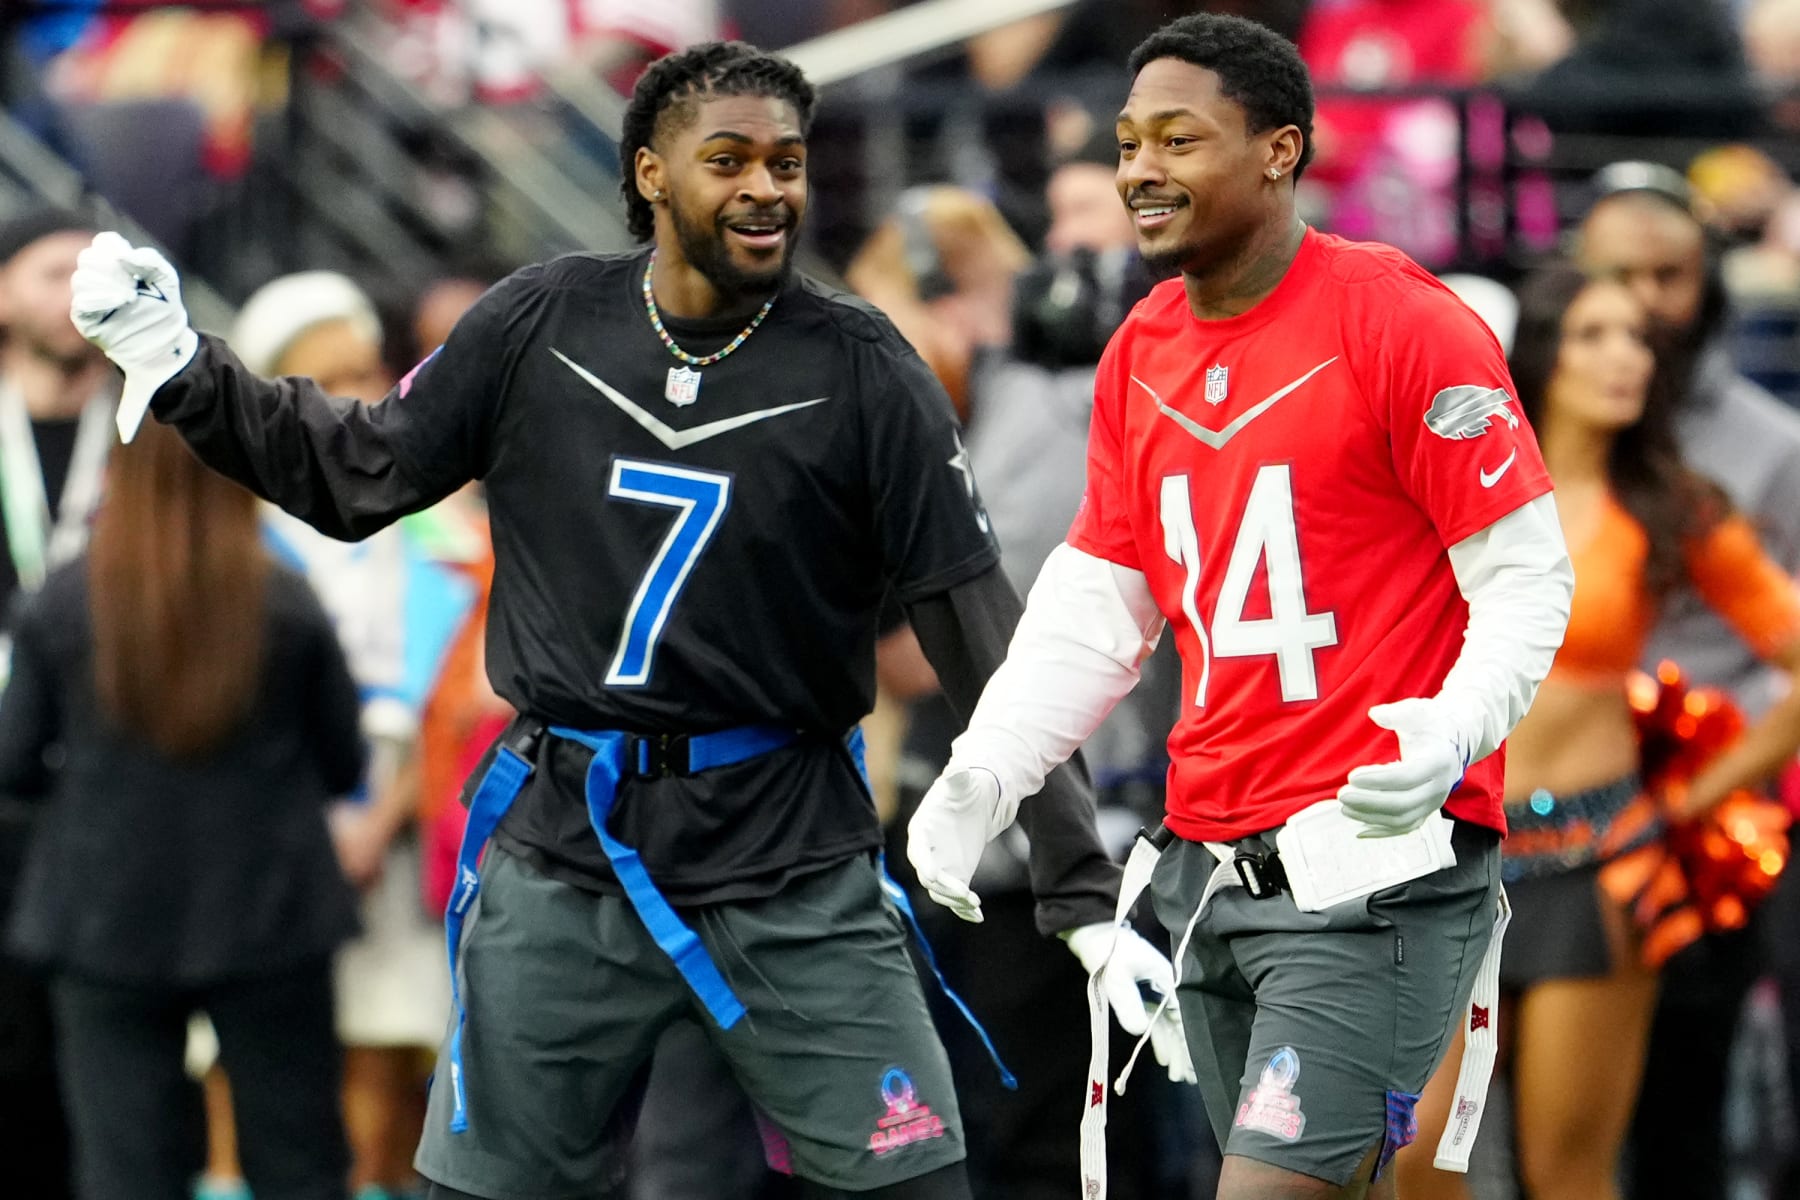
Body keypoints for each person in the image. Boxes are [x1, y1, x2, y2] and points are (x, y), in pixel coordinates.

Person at [68, 39, 1184, 1200]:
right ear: (651, 172)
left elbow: (975, 628)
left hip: (789, 859)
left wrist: (1077, 885)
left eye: (789, 163)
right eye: (730, 159)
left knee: (913, 1187)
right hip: (569, 855)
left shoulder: (863, 366)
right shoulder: (540, 320)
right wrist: (186, 367)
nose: (767, 188)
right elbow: (362, 472)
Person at [904, 14, 1575, 1200]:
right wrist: (993, 761)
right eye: (1126, 143)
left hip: (1375, 874)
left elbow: (1526, 574)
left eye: (1178, 139)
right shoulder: (1142, 349)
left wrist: (1456, 725)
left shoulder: (1400, 320)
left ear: (1279, 150)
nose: (1139, 171)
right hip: (1208, 868)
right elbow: (1106, 605)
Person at [1396, 262, 1800, 1200]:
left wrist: (1693, 796)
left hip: (1593, 862)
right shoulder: (1453, 488)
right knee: (1415, 1158)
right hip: (1448, 855)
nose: (1626, 359)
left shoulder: (1673, 507)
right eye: (1593, 334)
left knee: (1567, 1173)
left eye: (1638, 340)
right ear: (1538, 355)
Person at [0, 417, 365, 1200]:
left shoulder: (61, 603)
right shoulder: (287, 603)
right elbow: (346, 763)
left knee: (126, 1172)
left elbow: (14, 766)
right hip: (270, 912)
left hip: (101, 916)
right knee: (300, 1162)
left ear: (115, 476)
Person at [1575, 160, 1800, 1200]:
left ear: (1707, 282)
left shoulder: (1760, 450)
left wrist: (1703, 780)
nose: (1647, 303)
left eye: (1670, 276)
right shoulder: (1526, 446)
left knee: (1683, 1110)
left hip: (1710, 824)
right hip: (1554, 824)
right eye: (1619, 277)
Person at [0, 204, 116, 1200]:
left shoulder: (149, 438)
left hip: (110, 788)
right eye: (49, 271)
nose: (72, 293)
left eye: (90, 272)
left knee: (98, 1060)